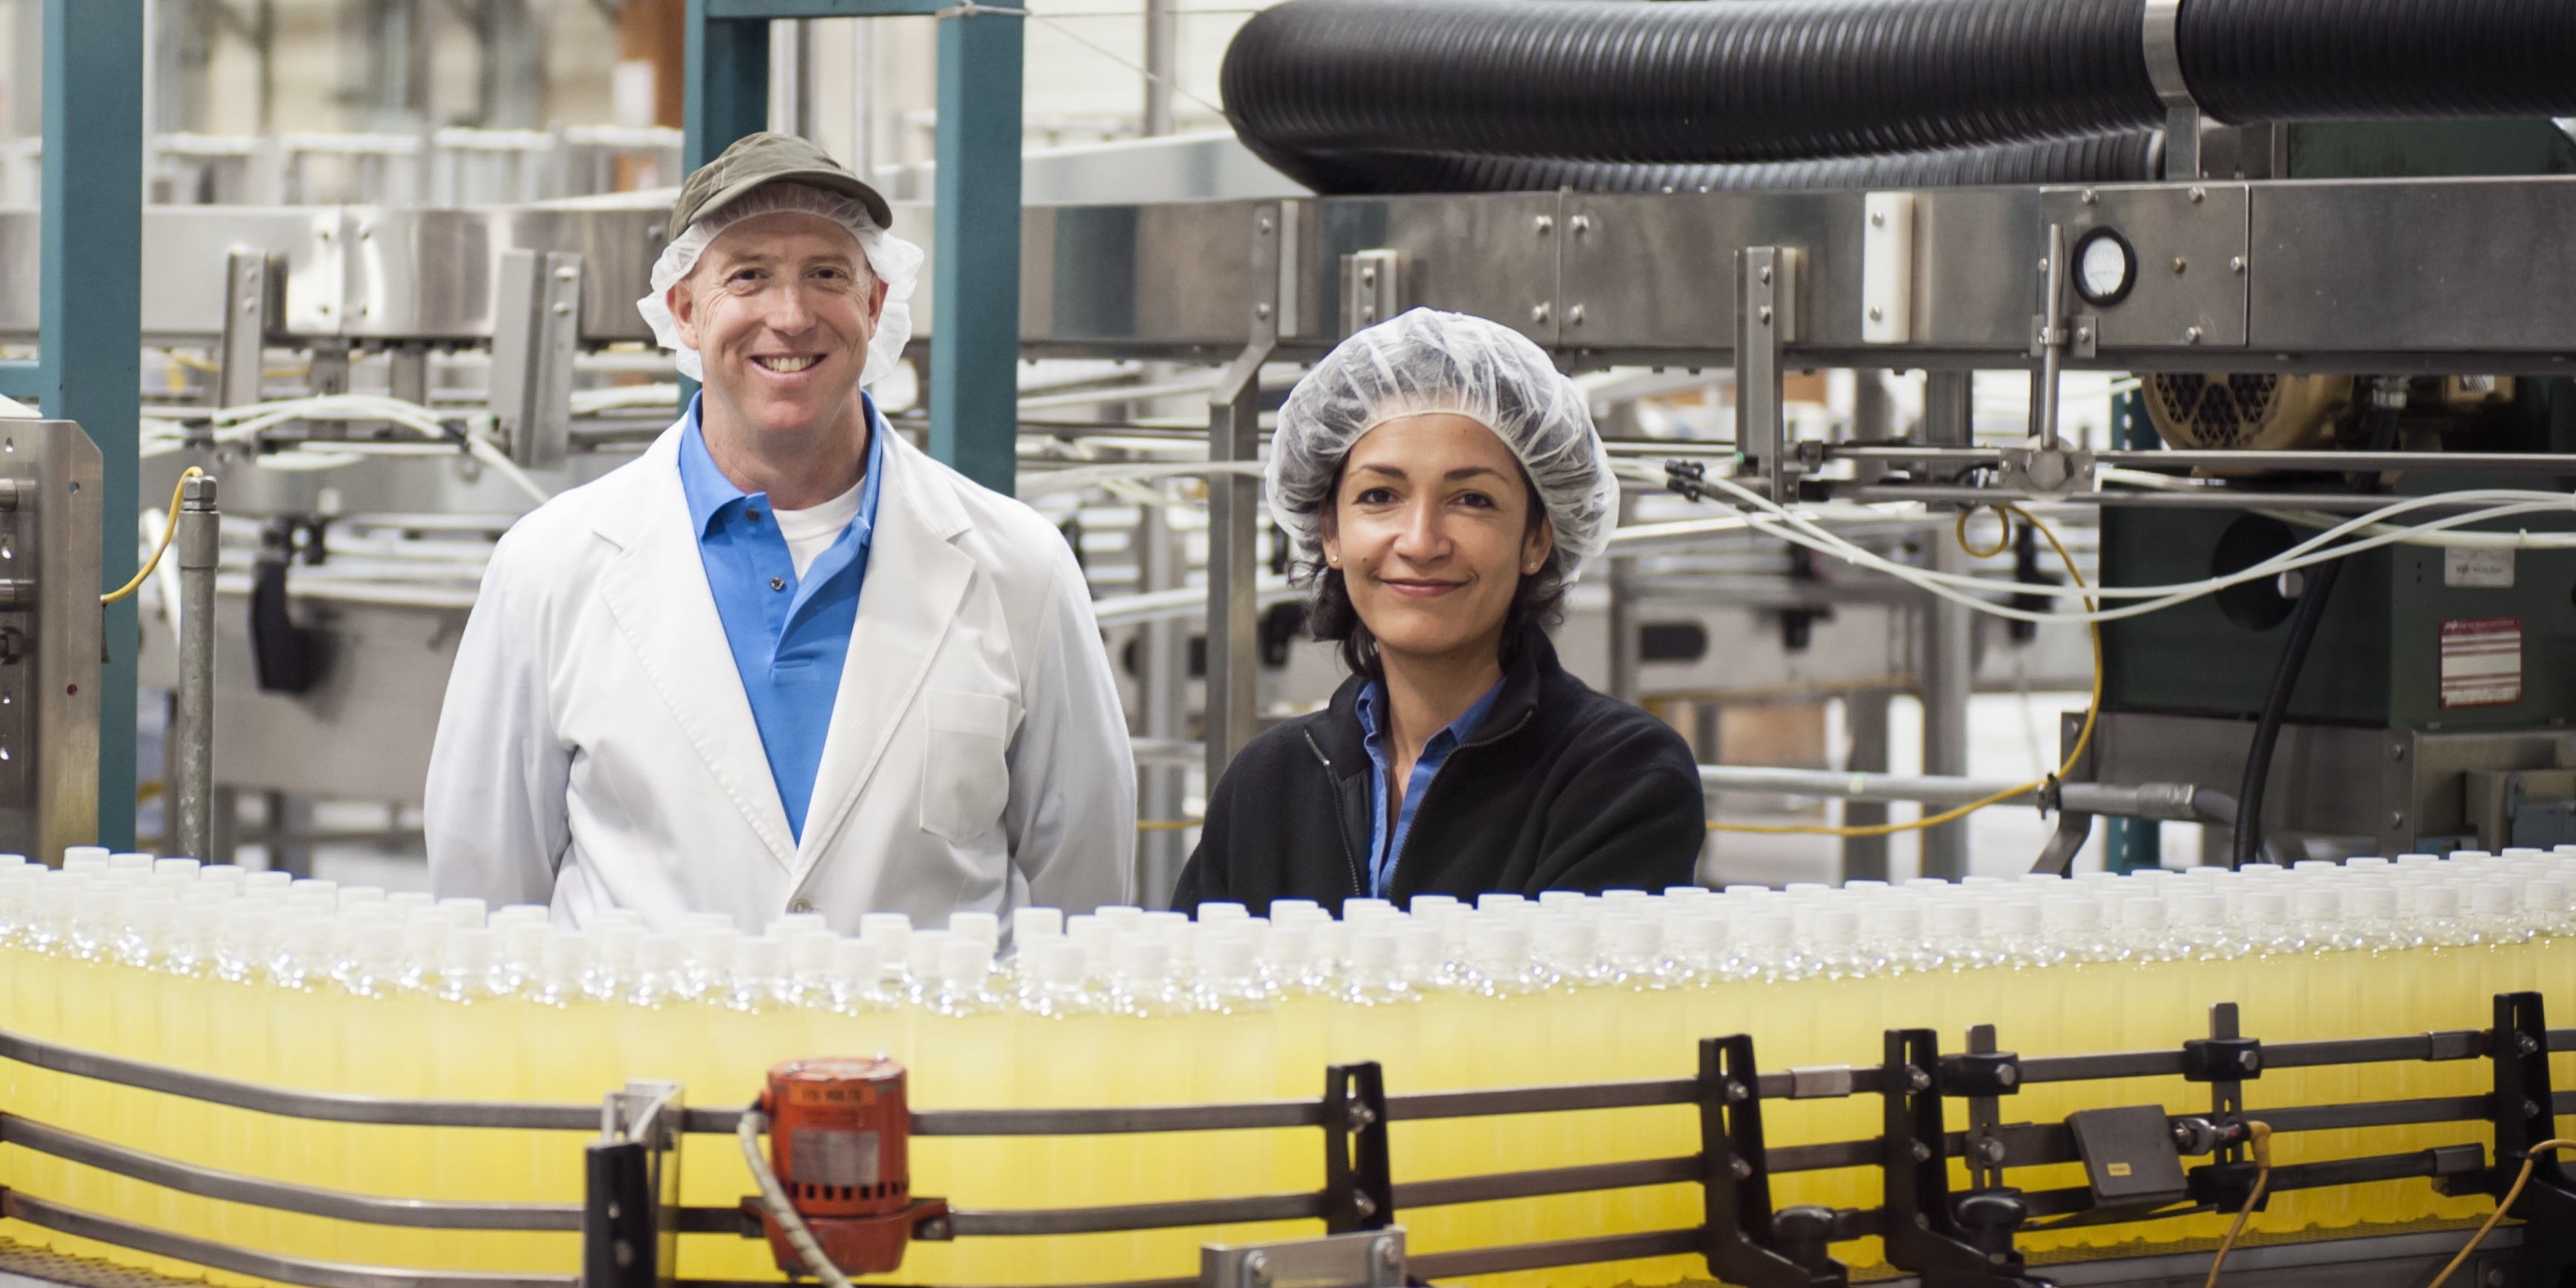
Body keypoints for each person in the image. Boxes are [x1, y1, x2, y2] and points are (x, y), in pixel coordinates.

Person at [425, 133, 1135, 932]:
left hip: (926, 1056)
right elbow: (484, 902)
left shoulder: (1019, 567)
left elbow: (1083, 898)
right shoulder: (549, 567)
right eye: (748, 276)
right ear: (686, 313)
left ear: (874, 306)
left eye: (827, 275)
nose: (790, 316)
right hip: (642, 1056)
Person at [1174, 309, 1700, 910]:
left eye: (1472, 500)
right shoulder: (1269, 782)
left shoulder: (1618, 777)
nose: (1421, 542)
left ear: (1537, 539)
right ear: (1331, 531)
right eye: (1380, 496)